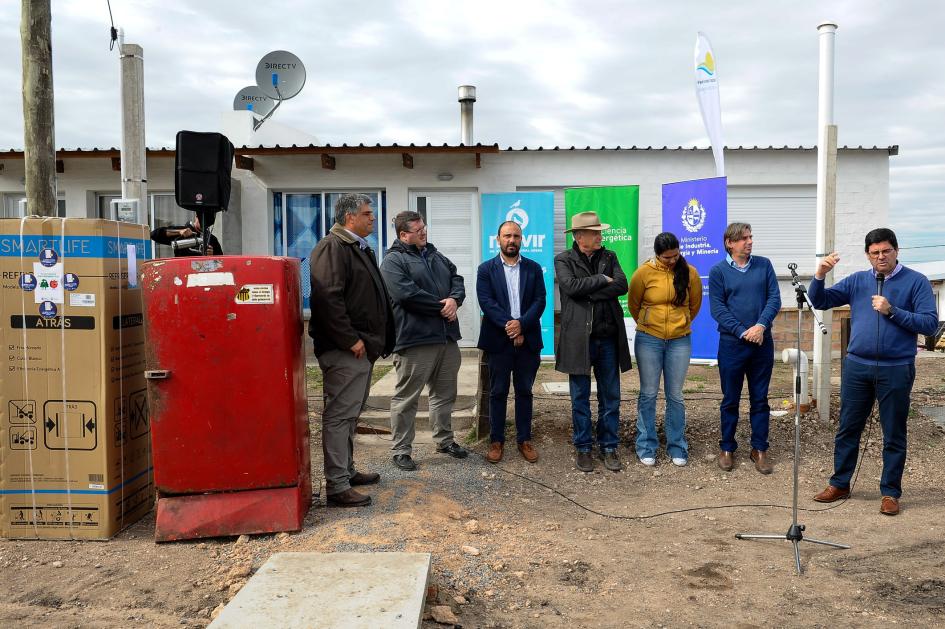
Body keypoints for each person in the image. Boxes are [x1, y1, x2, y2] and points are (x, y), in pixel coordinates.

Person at [810, 228, 937, 516]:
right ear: (868, 255)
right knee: (848, 428)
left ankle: (890, 492)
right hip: (857, 367)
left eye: (886, 251)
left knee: (893, 432)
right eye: (875, 253)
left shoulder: (916, 282)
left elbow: (929, 324)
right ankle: (840, 483)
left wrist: (892, 310)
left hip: (896, 368)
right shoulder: (858, 280)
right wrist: (819, 275)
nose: (881, 257)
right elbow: (820, 301)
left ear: (896, 250)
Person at [308, 193, 394, 508]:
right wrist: (350, 340)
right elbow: (328, 299)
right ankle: (337, 486)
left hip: (361, 349)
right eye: (368, 213)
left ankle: (346, 471)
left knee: (349, 415)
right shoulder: (332, 248)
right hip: (346, 350)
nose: (373, 218)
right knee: (339, 416)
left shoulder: (353, 246)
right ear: (349, 217)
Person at [380, 211, 468, 471]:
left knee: (444, 395)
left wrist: (455, 300)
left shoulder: (435, 255)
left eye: (425, 228)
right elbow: (406, 294)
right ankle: (401, 450)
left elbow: (457, 279)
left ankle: (444, 440)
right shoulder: (393, 261)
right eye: (418, 230)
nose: (424, 233)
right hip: (415, 340)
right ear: (403, 234)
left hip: (446, 338)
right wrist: (442, 307)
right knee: (407, 398)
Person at [555, 211, 632, 473]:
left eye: (600, 232)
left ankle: (609, 446)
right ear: (579, 237)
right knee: (580, 396)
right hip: (578, 339)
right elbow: (570, 287)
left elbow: (622, 285)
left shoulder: (609, 256)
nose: (600, 236)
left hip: (608, 337)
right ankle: (584, 447)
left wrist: (589, 291)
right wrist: (600, 280)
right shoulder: (563, 259)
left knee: (611, 396)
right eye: (595, 232)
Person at [708, 222, 781, 474]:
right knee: (730, 399)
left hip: (762, 343)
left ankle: (759, 449)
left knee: (760, 399)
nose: (749, 242)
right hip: (732, 345)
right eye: (743, 239)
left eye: (750, 237)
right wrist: (742, 331)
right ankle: (727, 447)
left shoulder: (764, 265)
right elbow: (717, 308)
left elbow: (774, 299)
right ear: (730, 242)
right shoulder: (718, 271)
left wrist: (760, 326)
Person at [628, 232, 702, 467]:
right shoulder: (643, 273)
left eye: (675, 255)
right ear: (657, 255)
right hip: (649, 339)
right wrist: (650, 323)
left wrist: (681, 323)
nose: (672, 260)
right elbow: (634, 304)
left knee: (676, 395)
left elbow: (695, 304)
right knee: (648, 393)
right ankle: (646, 445)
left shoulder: (690, 272)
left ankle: (677, 446)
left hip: (680, 340)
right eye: (667, 257)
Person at [476, 220, 546, 464]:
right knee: (498, 392)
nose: (511, 240)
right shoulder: (486, 269)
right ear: (498, 239)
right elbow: (487, 302)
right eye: (507, 236)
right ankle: (496, 441)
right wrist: (512, 327)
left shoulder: (534, 268)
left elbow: (540, 301)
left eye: (516, 236)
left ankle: (524, 439)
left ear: (521, 239)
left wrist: (522, 326)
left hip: (528, 341)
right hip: (499, 341)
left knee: (525, 391)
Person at [149, 215, 222, 256]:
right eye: (202, 220)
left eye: (208, 222)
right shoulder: (183, 231)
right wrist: (179, 232)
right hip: (182, 273)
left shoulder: (212, 239)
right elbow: (154, 235)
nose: (204, 223)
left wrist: (212, 255)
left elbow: (221, 261)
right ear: (196, 217)